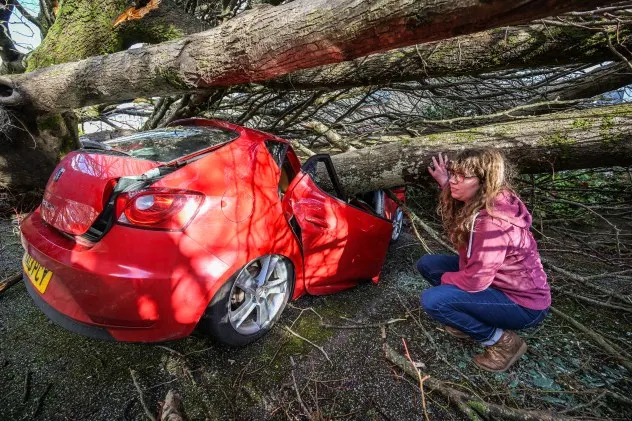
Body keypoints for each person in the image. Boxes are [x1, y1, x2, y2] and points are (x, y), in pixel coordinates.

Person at [417, 149, 550, 372]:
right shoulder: (490, 198)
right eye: (453, 174)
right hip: (496, 282)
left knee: (434, 300)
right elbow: (462, 204)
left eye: (463, 176)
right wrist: (445, 183)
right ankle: (468, 317)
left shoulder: (492, 222)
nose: (454, 181)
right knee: (428, 265)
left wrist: (447, 279)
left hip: (523, 304)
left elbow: (476, 281)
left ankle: (502, 342)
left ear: (484, 181)